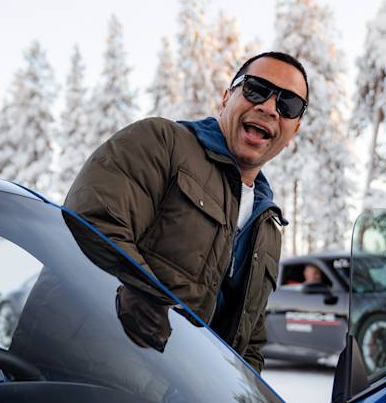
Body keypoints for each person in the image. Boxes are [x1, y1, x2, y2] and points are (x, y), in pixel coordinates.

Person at [64, 51, 308, 372]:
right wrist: (174, 351)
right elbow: (91, 227)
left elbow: (251, 338)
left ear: (294, 131)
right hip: (88, 378)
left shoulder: (268, 225)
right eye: (256, 89)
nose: (269, 107)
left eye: (287, 104)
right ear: (225, 98)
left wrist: (245, 402)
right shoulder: (162, 144)